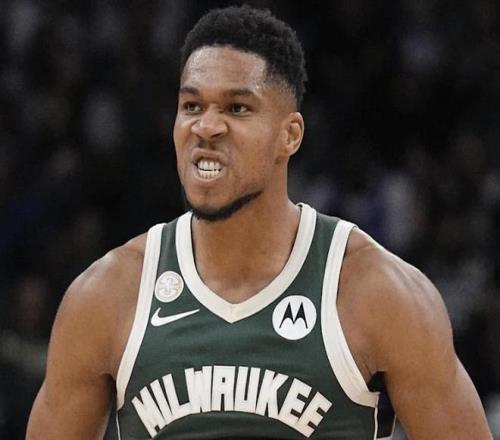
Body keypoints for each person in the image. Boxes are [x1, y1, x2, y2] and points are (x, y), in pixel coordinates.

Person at [27, 5, 492, 439]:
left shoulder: (377, 293)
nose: (206, 127)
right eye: (192, 106)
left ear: (290, 135)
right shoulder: (107, 296)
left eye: (237, 108)